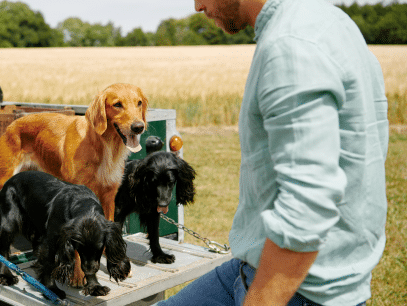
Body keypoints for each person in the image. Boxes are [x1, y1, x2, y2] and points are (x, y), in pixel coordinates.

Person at [156, 0, 389, 305]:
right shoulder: (327, 20)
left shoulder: (290, 45)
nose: (197, 5)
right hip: (259, 266)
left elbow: (309, 203)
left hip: (298, 289)